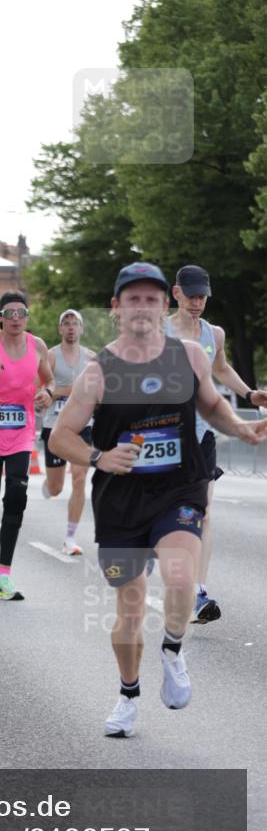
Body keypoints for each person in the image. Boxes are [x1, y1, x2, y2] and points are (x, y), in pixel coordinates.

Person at [49, 262, 267, 738]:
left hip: (178, 487)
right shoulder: (97, 372)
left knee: (181, 572)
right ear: (116, 309)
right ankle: (128, 695)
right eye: (133, 298)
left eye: (151, 299)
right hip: (121, 499)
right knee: (128, 609)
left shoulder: (189, 355)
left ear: (163, 306)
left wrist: (242, 429)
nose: (143, 307)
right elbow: (60, 437)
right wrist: (99, 456)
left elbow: (212, 405)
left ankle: (172, 647)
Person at [165, 265, 267, 623]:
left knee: (203, 512)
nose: (197, 303)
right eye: (190, 296)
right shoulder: (155, 332)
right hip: (161, 435)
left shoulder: (214, 333)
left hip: (201, 433)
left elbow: (221, 369)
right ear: (175, 293)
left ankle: (197, 594)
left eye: (202, 296)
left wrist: (250, 394)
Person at [0, 291, 54, 600]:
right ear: (0, 317)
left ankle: (4, 575)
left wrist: (48, 393)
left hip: (21, 432)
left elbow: (49, 380)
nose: (16, 318)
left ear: (27, 317)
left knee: (16, 495)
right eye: (9, 313)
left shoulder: (37, 345)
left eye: (21, 312)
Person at [40, 309, 96, 555]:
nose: (71, 327)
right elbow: (42, 390)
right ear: (60, 329)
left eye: (75, 323)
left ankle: (70, 538)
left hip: (84, 427)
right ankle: (48, 484)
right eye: (66, 323)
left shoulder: (92, 359)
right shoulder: (50, 357)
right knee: (56, 488)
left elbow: (96, 392)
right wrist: (67, 391)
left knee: (80, 478)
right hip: (54, 426)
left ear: (82, 329)